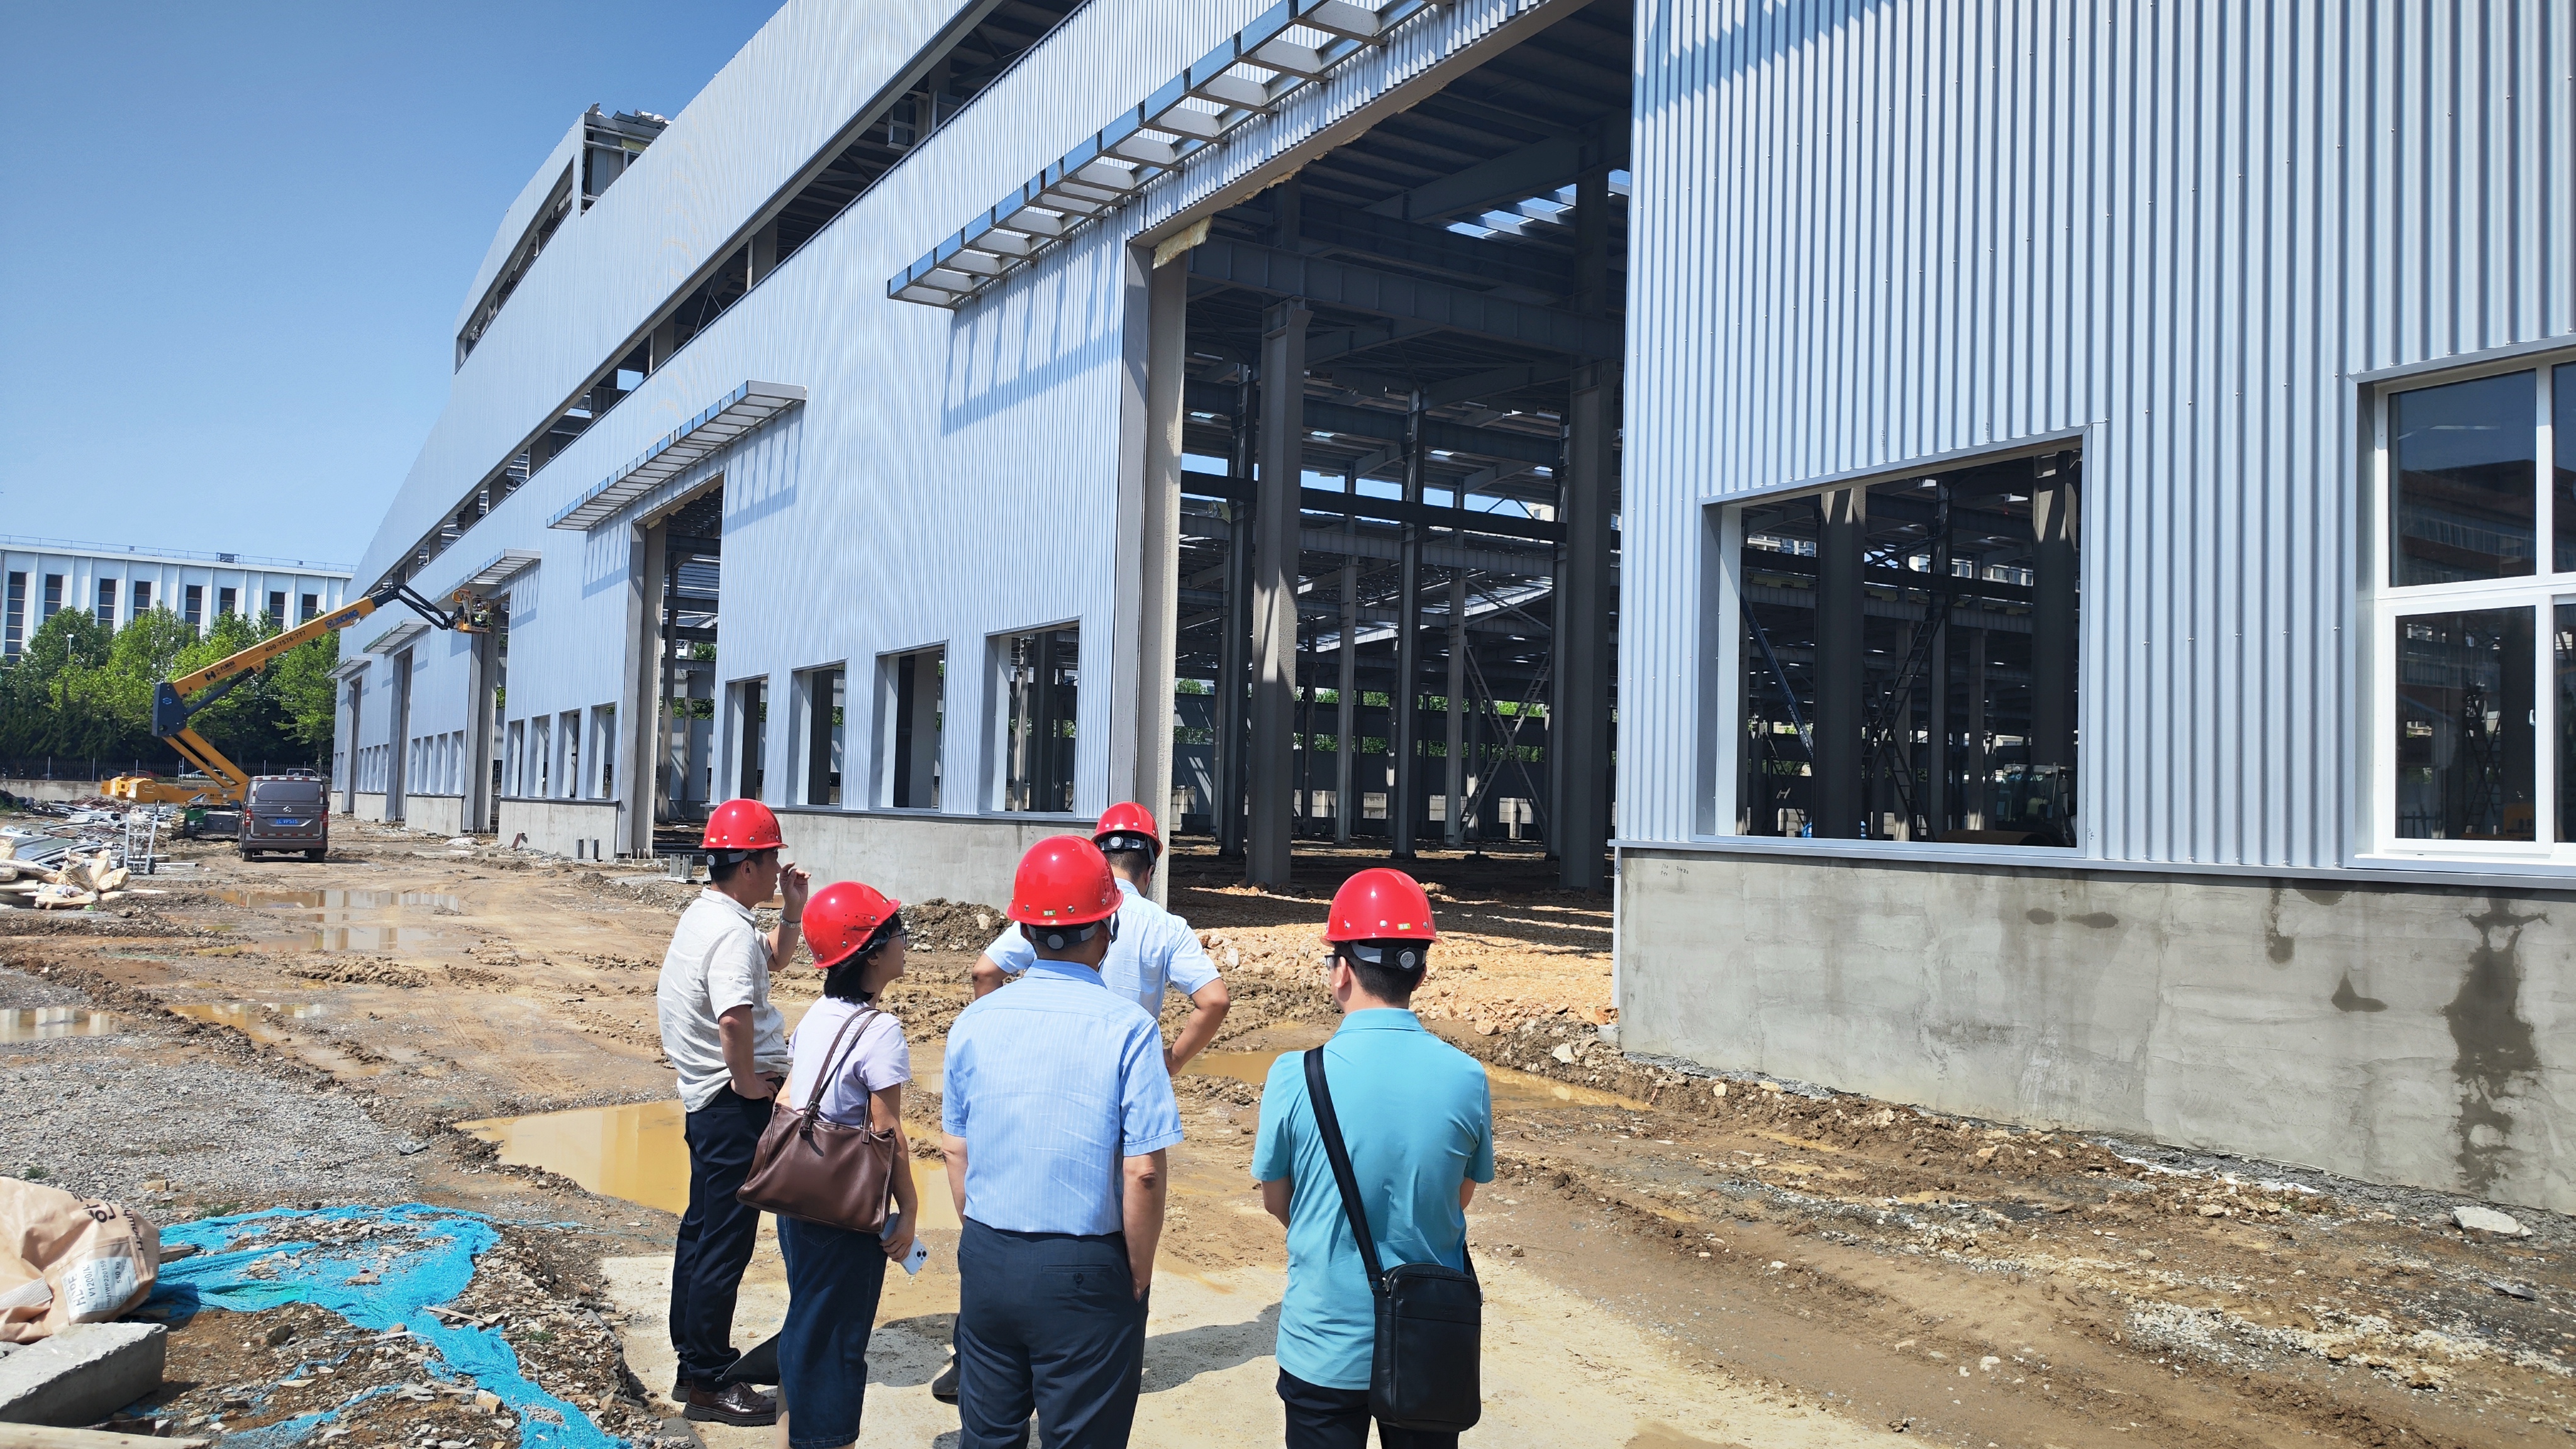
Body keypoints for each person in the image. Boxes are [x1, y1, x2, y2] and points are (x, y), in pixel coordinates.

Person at [931, 802, 1226, 1406]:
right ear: (1152, 863)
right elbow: (1214, 1000)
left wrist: (1003, 1025)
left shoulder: (1048, 911)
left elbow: (985, 972)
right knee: (1099, 1227)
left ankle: (980, 1363)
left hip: (1025, 1108)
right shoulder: (1163, 928)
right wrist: (1168, 1063)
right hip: (1115, 1095)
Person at [1252, 868, 1493, 1449]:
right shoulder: (1467, 1077)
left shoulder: (1295, 1076)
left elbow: (1279, 1201)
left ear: (1341, 970)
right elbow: (1456, 1198)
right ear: (1421, 972)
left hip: (1323, 1347)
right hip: (1428, 1342)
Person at [653, 797, 809, 1427]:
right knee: (725, 1244)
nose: (776, 870)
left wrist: (792, 913)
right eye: (771, 860)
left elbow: (771, 960)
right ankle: (709, 1380)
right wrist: (747, 1083)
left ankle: (692, 1362)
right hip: (729, 1104)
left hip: (707, 1101)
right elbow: (734, 1019)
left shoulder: (711, 918)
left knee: (702, 1232)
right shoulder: (728, 934)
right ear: (747, 865)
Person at [774, 880, 919, 1449]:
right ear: (872, 953)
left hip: (800, 1194)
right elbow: (887, 1131)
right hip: (847, 1207)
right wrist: (909, 1209)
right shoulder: (880, 1030)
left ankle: (789, 1436)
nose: (906, 942)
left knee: (808, 1320)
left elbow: (792, 1097)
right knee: (837, 1340)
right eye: (898, 932)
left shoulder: (816, 1015)